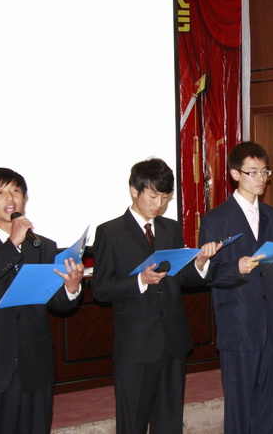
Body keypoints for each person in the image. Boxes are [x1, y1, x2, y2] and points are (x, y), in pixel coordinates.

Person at [198, 141, 273, 434]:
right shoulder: (216, 218)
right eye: (253, 172)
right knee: (240, 410)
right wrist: (235, 267)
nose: (261, 178)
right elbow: (207, 273)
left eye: (265, 171)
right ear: (235, 174)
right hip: (239, 326)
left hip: (271, 324)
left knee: (267, 408)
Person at [92, 158, 219, 434]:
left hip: (173, 340)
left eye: (165, 197)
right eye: (153, 196)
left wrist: (199, 263)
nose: (159, 204)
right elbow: (101, 289)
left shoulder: (170, 228)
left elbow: (180, 277)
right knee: (133, 423)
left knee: (169, 422)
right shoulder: (110, 232)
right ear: (134, 190)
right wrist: (139, 280)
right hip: (136, 346)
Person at [0, 167, 84, 434]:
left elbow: (57, 303)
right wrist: (12, 243)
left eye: (16, 190)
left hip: (34, 364)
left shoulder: (44, 246)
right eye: (0, 192)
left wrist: (71, 288)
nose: (10, 197)